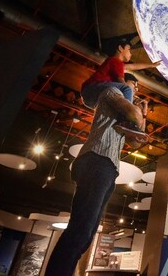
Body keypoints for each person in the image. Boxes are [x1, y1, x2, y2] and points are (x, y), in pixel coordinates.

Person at [45, 75, 145, 275]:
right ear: (123, 81)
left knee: (87, 232)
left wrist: (144, 112)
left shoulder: (125, 111)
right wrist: (138, 112)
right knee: (81, 229)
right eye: (134, 85)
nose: (135, 90)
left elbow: (137, 141)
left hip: (107, 166)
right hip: (97, 159)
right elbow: (135, 116)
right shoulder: (112, 92)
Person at [81, 38, 160, 131]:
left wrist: (151, 65)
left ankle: (123, 119)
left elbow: (133, 66)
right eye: (129, 50)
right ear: (120, 48)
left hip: (91, 99)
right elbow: (121, 82)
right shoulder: (115, 61)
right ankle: (126, 120)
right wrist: (130, 101)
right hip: (91, 88)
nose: (131, 54)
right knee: (126, 88)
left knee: (121, 95)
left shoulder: (116, 63)